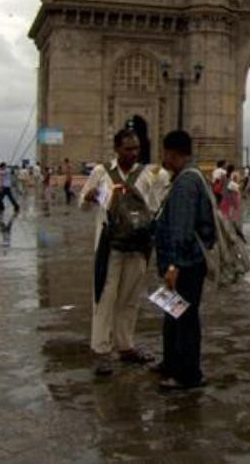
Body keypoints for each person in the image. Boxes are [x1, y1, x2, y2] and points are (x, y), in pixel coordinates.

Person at [80, 129, 167, 377]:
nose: (133, 153)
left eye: (136, 148)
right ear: (116, 149)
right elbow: (83, 205)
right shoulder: (101, 172)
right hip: (110, 245)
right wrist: (91, 196)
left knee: (130, 297)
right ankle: (101, 350)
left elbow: (155, 206)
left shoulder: (146, 175)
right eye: (128, 148)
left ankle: (125, 345)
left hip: (138, 245)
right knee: (105, 297)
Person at [154, 130, 216, 390]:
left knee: (185, 319)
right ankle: (171, 363)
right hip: (185, 263)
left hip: (184, 266)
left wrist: (172, 266)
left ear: (171, 153)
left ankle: (188, 375)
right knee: (172, 314)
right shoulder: (194, 176)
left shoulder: (185, 183)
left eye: (165, 153)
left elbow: (181, 228)